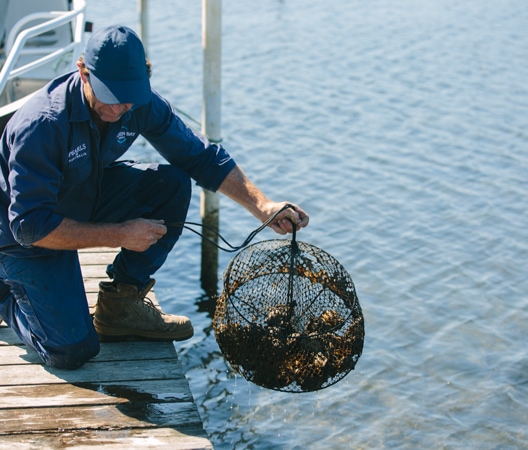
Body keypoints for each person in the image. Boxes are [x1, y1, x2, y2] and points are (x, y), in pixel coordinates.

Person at [0, 25, 309, 370]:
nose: (117, 109)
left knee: (173, 184)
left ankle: (121, 304)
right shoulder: (43, 123)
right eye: (108, 95)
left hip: (83, 194)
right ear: (82, 71)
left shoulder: (141, 103)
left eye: (126, 97)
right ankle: (7, 297)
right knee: (71, 351)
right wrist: (119, 234)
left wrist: (261, 205)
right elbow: (29, 225)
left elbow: (200, 157)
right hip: (22, 234)